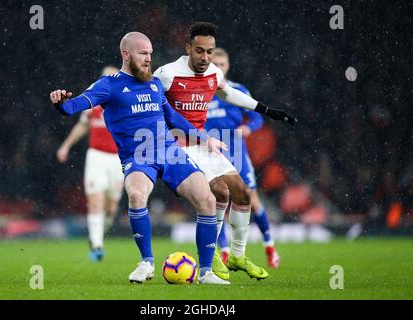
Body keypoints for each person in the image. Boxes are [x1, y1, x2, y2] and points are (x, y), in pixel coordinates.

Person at [50, 32, 230, 284]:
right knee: (136, 195)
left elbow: (173, 118)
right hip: (138, 156)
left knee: (208, 200)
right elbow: (73, 107)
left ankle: (206, 272)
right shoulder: (108, 85)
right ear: (126, 54)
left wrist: (204, 138)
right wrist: (60, 102)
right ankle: (146, 263)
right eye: (143, 53)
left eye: (150, 54)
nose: (148, 59)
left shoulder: (154, 83)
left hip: (169, 151)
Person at [154, 22, 295, 280]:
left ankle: (238, 257)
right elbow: (152, 103)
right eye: (199, 51)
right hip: (176, 146)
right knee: (218, 191)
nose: (205, 57)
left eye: (210, 51)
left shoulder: (214, 73)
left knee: (241, 193)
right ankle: (213, 256)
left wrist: (267, 110)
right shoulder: (167, 73)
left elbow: (229, 94)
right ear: (188, 48)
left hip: (202, 144)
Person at [204, 48, 281, 269]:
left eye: (222, 64)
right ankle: (226, 252)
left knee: (251, 199)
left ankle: (270, 246)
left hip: (236, 150)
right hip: (211, 152)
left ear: (227, 66)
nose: (218, 67)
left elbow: (256, 118)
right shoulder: (200, 92)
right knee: (217, 200)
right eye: (214, 64)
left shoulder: (236, 90)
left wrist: (246, 130)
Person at [56, 66, 123, 262]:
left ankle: (98, 233)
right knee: (95, 202)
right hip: (96, 157)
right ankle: (96, 245)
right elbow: (82, 126)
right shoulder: (93, 103)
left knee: (111, 209)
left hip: (118, 159)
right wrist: (65, 146)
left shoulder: (122, 102)